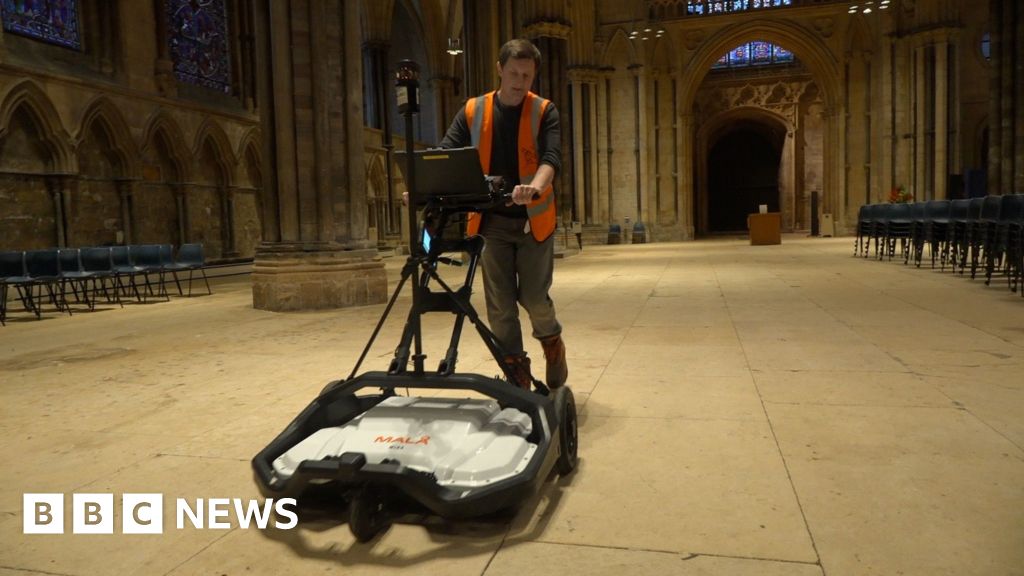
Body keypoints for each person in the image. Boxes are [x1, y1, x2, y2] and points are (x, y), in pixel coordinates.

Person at [438, 38, 567, 390]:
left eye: (527, 75)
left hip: (533, 221)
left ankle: (552, 343)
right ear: (499, 69)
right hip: (490, 223)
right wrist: (423, 186)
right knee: (501, 305)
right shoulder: (472, 110)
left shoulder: (544, 111)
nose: (519, 81)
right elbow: (447, 153)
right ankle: (516, 374)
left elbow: (551, 159)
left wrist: (535, 188)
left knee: (535, 298)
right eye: (513, 73)